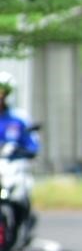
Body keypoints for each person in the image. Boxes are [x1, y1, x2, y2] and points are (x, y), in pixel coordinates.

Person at [0, 71, 41, 242]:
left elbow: (32, 142)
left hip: (13, 164)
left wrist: (28, 150)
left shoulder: (19, 119)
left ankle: (24, 222)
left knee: (20, 192)